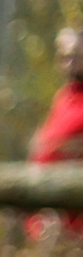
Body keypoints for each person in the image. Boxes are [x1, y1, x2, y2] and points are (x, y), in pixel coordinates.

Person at [25, 25, 83, 238]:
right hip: (46, 225)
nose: (70, 63)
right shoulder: (63, 97)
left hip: (74, 231)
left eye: (76, 56)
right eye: (65, 57)